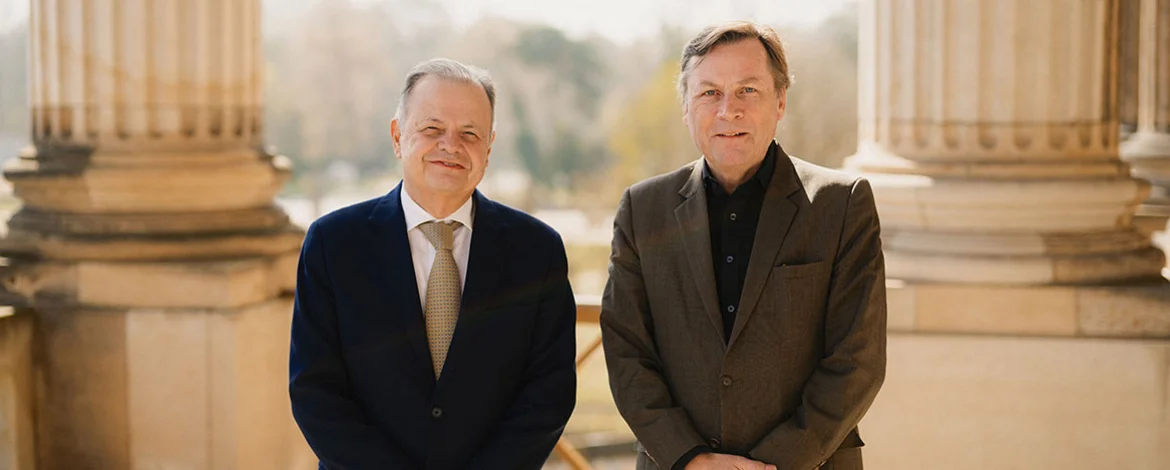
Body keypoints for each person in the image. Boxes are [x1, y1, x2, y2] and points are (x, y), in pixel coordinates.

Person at [601, 21, 887, 470]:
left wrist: (777, 463)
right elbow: (626, 351)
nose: (727, 110)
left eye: (747, 91)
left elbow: (858, 360)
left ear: (780, 101)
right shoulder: (642, 208)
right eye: (709, 93)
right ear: (686, 108)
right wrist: (691, 458)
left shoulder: (842, 203)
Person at [289, 58, 577, 470]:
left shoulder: (538, 250)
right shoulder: (333, 244)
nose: (451, 145)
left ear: (489, 148)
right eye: (432, 129)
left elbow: (549, 392)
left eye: (470, 134)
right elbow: (314, 389)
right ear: (397, 135)